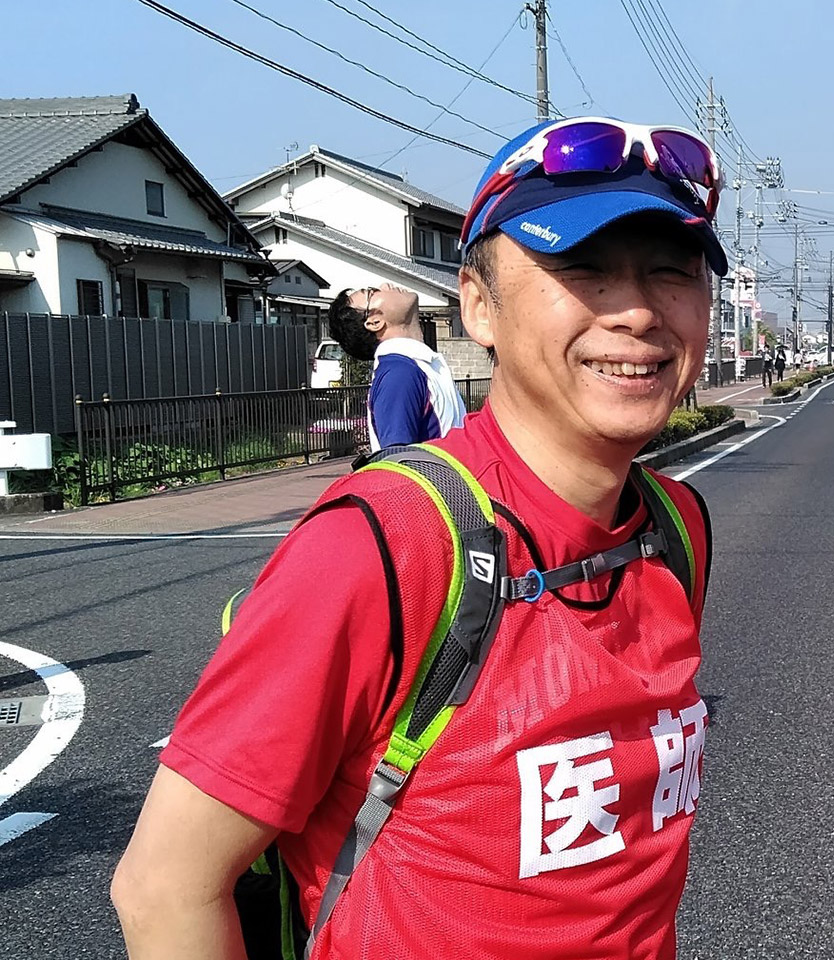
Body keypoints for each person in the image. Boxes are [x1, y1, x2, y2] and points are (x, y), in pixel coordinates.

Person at [113, 115, 728, 960]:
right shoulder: (381, 544)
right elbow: (164, 888)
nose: (634, 313)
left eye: (672, 270)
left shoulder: (674, 529)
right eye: (580, 267)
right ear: (479, 304)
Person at [327, 281, 467, 450]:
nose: (385, 285)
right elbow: (399, 463)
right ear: (374, 322)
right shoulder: (399, 374)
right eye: (372, 292)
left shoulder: (417, 365)